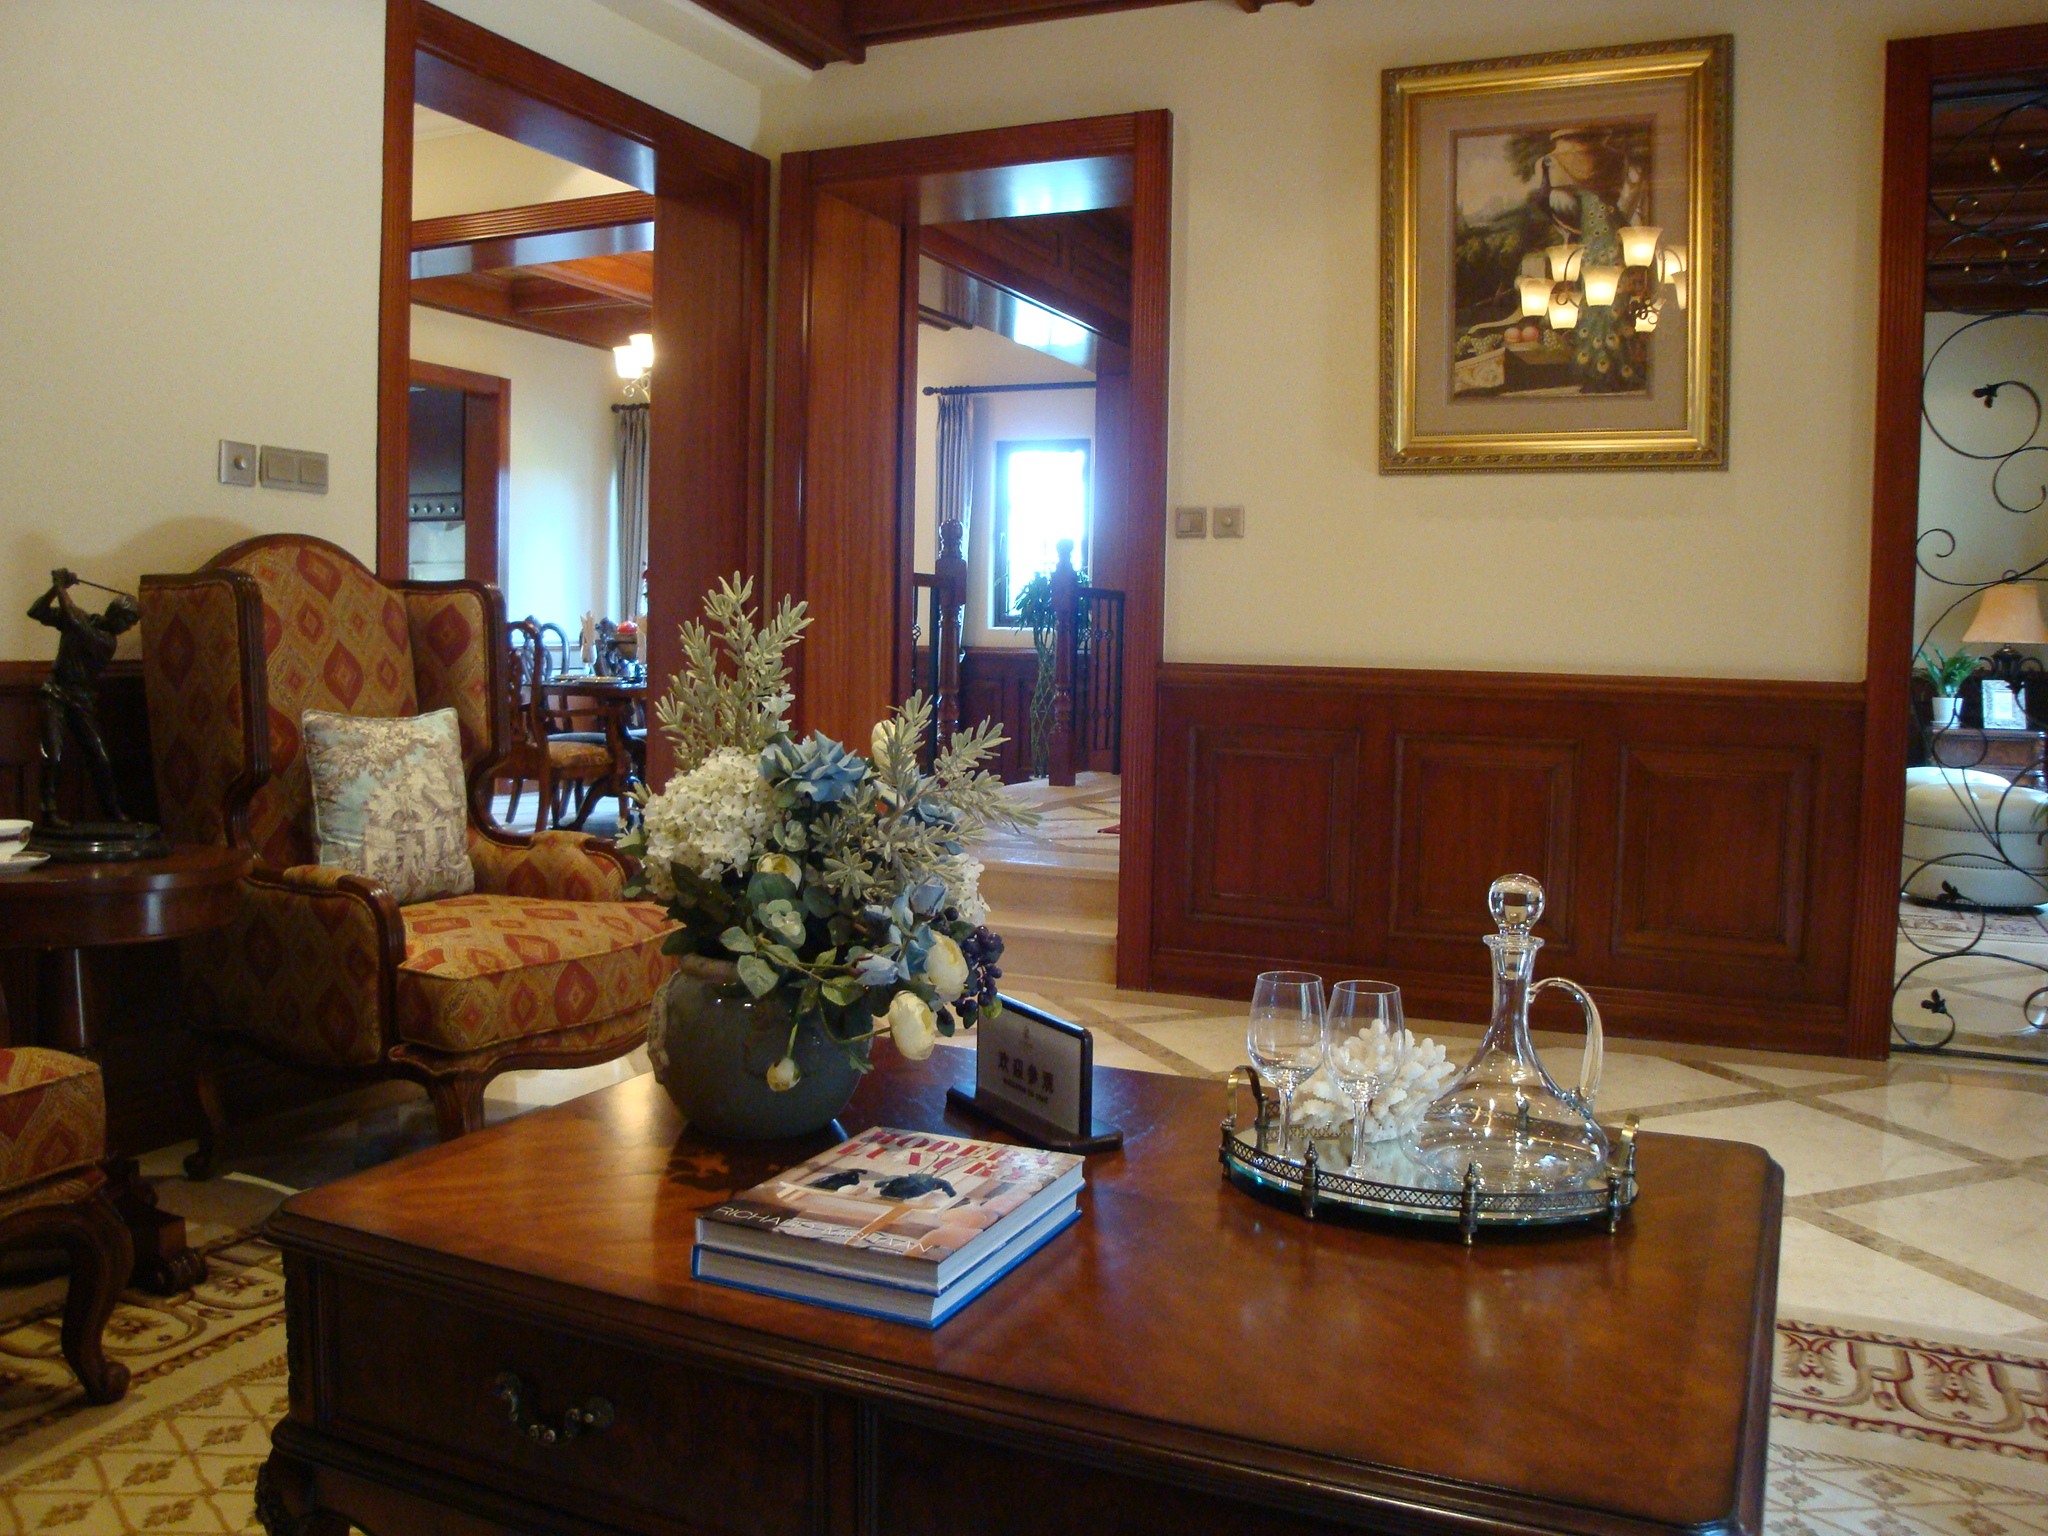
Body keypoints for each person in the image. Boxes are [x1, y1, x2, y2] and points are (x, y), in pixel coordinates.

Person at [26, 569, 139, 824]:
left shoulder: (106, 641)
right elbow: (36, 611)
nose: (127, 627)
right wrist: (54, 590)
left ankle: (112, 812)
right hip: (55, 693)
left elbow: (76, 625)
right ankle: (48, 811)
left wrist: (60, 586)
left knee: (100, 757)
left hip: (80, 699)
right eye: (128, 620)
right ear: (115, 613)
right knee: (53, 754)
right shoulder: (82, 618)